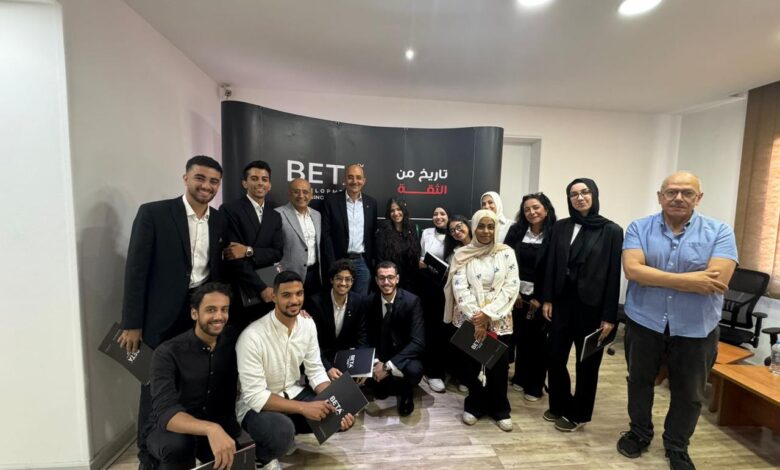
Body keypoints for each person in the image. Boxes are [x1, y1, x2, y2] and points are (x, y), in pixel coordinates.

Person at [617, 171, 737, 470]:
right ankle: (639, 433)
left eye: (687, 192)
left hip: (696, 328)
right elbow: (632, 271)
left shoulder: (720, 232)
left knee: (690, 393)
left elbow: (717, 280)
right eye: (671, 192)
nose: (678, 198)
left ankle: (677, 446)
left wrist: (654, 276)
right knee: (639, 383)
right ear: (660, 197)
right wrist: (692, 280)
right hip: (645, 322)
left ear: (699, 198)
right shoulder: (639, 228)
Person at [119, 155, 225, 468]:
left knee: (193, 378)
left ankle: (185, 445)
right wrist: (132, 323)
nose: (206, 186)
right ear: (186, 178)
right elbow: (136, 270)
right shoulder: (154, 213)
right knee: (153, 384)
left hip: (199, 312)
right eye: (200, 178)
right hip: (161, 317)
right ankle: (146, 456)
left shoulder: (219, 220)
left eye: (214, 181)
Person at [236, 271, 356, 468]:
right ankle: (262, 459)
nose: (294, 300)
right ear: (273, 296)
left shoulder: (307, 324)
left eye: (299, 294)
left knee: (339, 413)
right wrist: (304, 408)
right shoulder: (251, 336)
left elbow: (315, 371)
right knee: (281, 432)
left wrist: (337, 402)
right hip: (255, 405)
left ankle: (286, 433)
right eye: (286, 295)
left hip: (293, 392)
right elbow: (255, 396)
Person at [542, 178, 623, 432]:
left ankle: (579, 414)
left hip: (593, 308)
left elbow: (613, 275)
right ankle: (559, 403)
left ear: (594, 195)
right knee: (555, 357)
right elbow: (551, 264)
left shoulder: (611, 230)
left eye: (585, 192)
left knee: (587, 363)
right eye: (574, 194)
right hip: (561, 303)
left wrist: (609, 316)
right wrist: (547, 298)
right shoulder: (561, 227)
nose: (580, 197)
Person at [146, 283, 240, 470]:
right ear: (194, 313)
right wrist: (211, 429)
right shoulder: (167, 352)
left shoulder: (233, 341)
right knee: (178, 446)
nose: (219, 316)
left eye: (224, 309)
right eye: (211, 310)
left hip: (216, 425)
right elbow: (166, 413)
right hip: (173, 431)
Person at [444, 209, 520, 432]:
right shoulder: (462, 254)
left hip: (499, 317)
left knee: (499, 366)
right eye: (481, 226)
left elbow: (511, 286)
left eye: (491, 226)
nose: (486, 231)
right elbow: (459, 287)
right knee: (471, 365)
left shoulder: (506, 253)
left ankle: (500, 409)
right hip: (470, 318)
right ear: (474, 227)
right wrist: (477, 318)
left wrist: (489, 315)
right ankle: (475, 405)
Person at [504, 193, 557, 402]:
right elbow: (505, 261)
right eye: (527, 209)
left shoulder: (555, 233)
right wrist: (514, 291)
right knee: (519, 337)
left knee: (538, 342)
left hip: (541, 298)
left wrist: (540, 297)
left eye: (536, 207)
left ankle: (535, 385)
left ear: (546, 209)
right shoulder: (516, 231)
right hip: (516, 295)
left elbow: (554, 268)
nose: (532, 212)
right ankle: (520, 376)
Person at [220, 160, 284, 330]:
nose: (260, 183)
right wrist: (261, 288)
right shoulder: (229, 210)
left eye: (264, 179)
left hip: (268, 284)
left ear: (269, 185)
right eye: (254, 178)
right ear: (245, 183)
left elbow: (277, 253)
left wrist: (248, 250)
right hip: (241, 287)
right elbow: (234, 256)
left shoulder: (274, 215)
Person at [365, 261, 426, 417]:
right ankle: (386, 381)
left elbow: (418, 342)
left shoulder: (412, 301)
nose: (386, 282)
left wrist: (387, 366)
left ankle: (406, 390)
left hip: (403, 355)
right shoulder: (369, 301)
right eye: (382, 278)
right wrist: (376, 362)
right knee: (376, 389)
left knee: (414, 371)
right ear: (376, 280)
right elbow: (365, 336)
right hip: (381, 353)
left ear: (397, 279)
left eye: (390, 277)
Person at [304, 259, 368, 380]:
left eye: (348, 279)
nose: (343, 283)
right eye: (339, 278)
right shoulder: (316, 302)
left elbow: (362, 337)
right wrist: (328, 368)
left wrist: (362, 367)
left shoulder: (358, 301)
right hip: (321, 360)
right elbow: (312, 343)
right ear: (331, 280)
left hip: (346, 359)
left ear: (352, 282)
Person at [321, 164, 378, 295]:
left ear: (364, 180)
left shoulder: (371, 203)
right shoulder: (331, 201)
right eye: (350, 177)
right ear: (344, 179)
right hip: (339, 260)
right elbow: (326, 235)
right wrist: (332, 263)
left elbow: (372, 234)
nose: (355, 181)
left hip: (362, 262)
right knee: (339, 299)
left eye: (358, 177)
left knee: (361, 301)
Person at [417, 206, 450, 393]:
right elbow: (422, 255)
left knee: (446, 330)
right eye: (435, 214)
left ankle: (445, 369)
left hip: (450, 288)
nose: (438, 217)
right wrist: (421, 262)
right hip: (429, 287)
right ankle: (431, 372)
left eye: (442, 214)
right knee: (431, 328)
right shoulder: (426, 233)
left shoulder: (455, 233)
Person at [442, 214, 473, 393]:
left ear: (467, 225)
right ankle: (461, 376)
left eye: (459, 227)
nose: (456, 231)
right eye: (452, 230)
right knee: (460, 339)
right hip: (457, 301)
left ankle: (470, 377)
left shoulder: (480, 245)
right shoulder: (454, 251)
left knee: (473, 340)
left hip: (477, 300)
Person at [275, 178, 322, 295]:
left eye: (305, 192)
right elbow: (272, 248)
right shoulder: (277, 214)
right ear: (289, 194)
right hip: (289, 275)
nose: (301, 196)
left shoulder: (317, 215)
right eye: (296, 192)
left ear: (311, 194)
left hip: (315, 274)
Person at [374, 197, 420, 293]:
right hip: (391, 282)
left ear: (404, 210)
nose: (396, 213)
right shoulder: (383, 232)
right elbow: (380, 259)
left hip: (411, 283)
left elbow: (416, 255)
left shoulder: (412, 229)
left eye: (399, 209)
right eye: (392, 211)